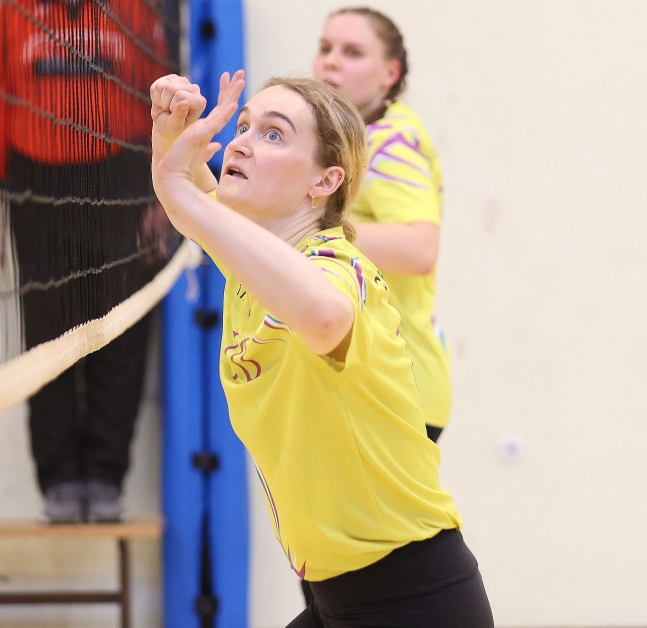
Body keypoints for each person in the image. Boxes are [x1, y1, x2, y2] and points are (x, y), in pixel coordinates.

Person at [149, 69, 493, 627]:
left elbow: (325, 314)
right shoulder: (254, 266)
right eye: (243, 126)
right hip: (338, 597)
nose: (240, 143)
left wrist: (182, 191)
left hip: (413, 599)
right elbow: (193, 200)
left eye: (274, 134)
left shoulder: (338, 268)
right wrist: (171, 133)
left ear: (325, 181)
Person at [0, 0, 174, 523]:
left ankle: (106, 477)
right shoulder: (16, 8)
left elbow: (160, 94)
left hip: (121, 174)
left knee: (122, 331)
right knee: (47, 333)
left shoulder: (134, 7)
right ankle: (60, 477)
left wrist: (163, 190)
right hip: (36, 181)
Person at [313, 7, 452, 445]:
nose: (331, 61)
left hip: (400, 388)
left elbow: (419, 249)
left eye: (352, 52)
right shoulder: (349, 138)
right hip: (367, 382)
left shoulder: (390, 141)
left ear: (390, 73)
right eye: (326, 48)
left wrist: (314, 229)